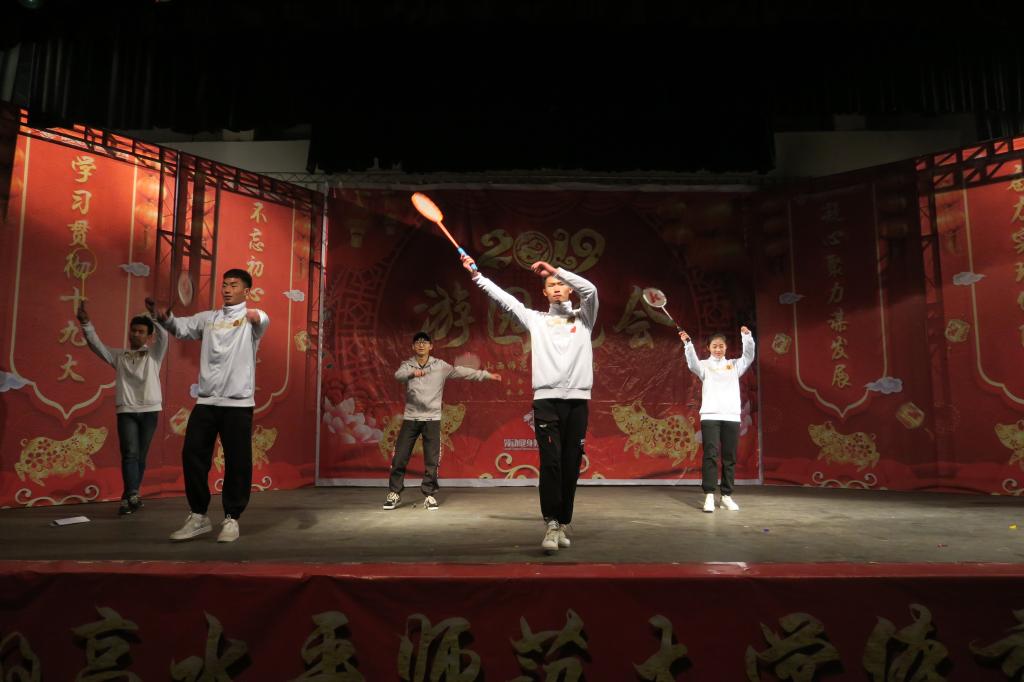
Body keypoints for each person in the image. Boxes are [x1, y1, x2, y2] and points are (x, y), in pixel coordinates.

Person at [462, 255, 597, 554]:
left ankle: (563, 522)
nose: (557, 287)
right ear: (544, 293)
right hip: (546, 400)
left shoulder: (584, 318)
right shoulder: (537, 320)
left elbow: (591, 290)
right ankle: (551, 522)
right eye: (551, 285)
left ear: (569, 289)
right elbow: (507, 301)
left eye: (561, 284)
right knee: (551, 463)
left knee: (571, 465)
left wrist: (555, 270)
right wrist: (477, 276)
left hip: (578, 401)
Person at [154, 269, 269, 543]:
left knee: (237, 462)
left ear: (246, 291)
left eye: (234, 285)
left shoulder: (252, 319)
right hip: (206, 402)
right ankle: (198, 516)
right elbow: (180, 328)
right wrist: (166, 319)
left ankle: (232, 518)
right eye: (225, 284)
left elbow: (260, 319)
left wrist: (254, 315)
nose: (227, 289)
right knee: (192, 455)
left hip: (238, 404)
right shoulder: (208, 319)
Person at [384, 331, 501, 511]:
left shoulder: (440, 366)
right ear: (413, 347)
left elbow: (461, 371)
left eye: (425, 342)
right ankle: (394, 493)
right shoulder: (407, 365)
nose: (421, 345)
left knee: (432, 459)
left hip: (432, 419)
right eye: (418, 342)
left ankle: (429, 494)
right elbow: (398, 375)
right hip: (411, 418)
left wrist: (485, 375)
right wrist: (413, 373)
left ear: (431, 346)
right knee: (400, 457)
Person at [77, 300, 167, 516]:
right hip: (126, 410)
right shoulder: (119, 356)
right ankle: (133, 494)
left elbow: (164, 336)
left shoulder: (154, 355)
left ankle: (129, 497)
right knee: (130, 454)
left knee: (140, 457)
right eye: (133, 331)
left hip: (150, 411)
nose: (135, 334)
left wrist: (155, 316)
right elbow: (96, 346)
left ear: (149, 337)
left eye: (141, 332)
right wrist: (86, 324)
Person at [679, 326, 755, 513]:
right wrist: (688, 344)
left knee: (730, 457)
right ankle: (709, 495)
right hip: (710, 416)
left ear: (726, 347)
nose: (718, 349)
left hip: (731, 416)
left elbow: (749, 356)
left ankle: (726, 496)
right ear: (709, 348)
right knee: (710, 455)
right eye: (715, 346)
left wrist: (747, 337)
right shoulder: (704, 366)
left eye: (721, 346)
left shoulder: (734, 365)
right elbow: (692, 363)